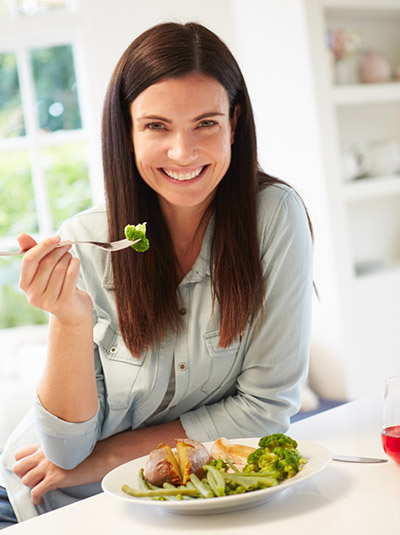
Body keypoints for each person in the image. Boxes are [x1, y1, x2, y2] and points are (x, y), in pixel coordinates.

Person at [0, 21, 313, 527]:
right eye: (156, 126)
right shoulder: (91, 241)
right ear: (126, 131)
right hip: (43, 504)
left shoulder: (274, 218)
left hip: (174, 505)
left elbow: (266, 411)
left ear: (234, 122)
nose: (183, 152)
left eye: (206, 123)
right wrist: (71, 321)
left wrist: (109, 457)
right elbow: (63, 450)